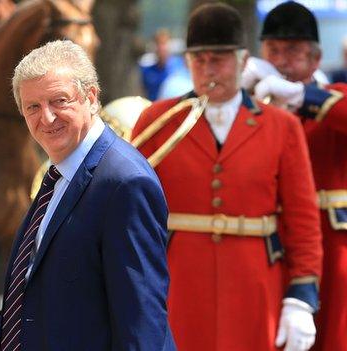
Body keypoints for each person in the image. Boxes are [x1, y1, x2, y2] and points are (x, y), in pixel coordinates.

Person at [132, 3, 322, 351]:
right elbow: (133, 214)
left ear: (243, 60)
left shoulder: (282, 126)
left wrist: (301, 296)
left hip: (255, 281)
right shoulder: (157, 120)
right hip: (179, 281)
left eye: (218, 58)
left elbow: (302, 218)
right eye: (198, 59)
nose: (208, 69)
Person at [0, 40, 175, 351]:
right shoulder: (58, 173)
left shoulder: (125, 183)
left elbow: (141, 321)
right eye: (33, 107)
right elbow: (23, 305)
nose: (47, 118)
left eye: (59, 101)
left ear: (91, 98)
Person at [242, 2, 347, 350]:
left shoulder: (334, 99)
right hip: (269, 245)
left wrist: (303, 96)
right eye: (273, 50)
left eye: (293, 51)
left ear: (316, 60)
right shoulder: (250, 106)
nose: (282, 61)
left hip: (332, 249)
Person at [139, 28, 186, 101]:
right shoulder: (146, 71)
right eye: (158, 44)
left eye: (164, 43)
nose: (161, 48)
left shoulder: (181, 67)